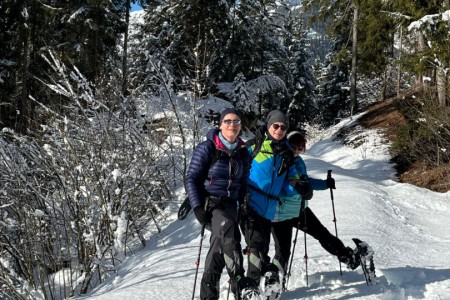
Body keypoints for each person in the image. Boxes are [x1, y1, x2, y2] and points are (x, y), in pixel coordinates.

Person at [185, 108, 258, 300]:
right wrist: (197, 206)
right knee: (228, 229)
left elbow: (243, 182)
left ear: (241, 126)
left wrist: (244, 204)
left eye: (236, 121)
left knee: (218, 251)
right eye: (227, 121)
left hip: (231, 205)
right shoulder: (207, 148)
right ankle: (240, 279)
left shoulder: (242, 152)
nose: (232, 125)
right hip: (212, 205)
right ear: (220, 125)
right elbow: (192, 178)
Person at [271, 131, 360, 287]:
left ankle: (349, 258)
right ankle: (275, 281)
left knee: (322, 234)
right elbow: (282, 186)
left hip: (300, 209)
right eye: (294, 146)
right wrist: (299, 188)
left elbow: (305, 181)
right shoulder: (279, 159)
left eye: (301, 148)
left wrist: (325, 184)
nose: (297, 151)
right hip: (281, 213)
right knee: (283, 250)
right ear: (286, 143)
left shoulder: (298, 161)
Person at [242, 110, 298, 294]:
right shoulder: (253, 147)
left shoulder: (286, 154)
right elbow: (231, 169)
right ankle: (250, 290)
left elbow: (286, 185)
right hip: (249, 206)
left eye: (283, 127)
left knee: (261, 248)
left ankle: (263, 284)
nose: (279, 129)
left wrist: (299, 188)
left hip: (268, 211)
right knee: (256, 248)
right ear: (268, 126)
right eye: (276, 125)